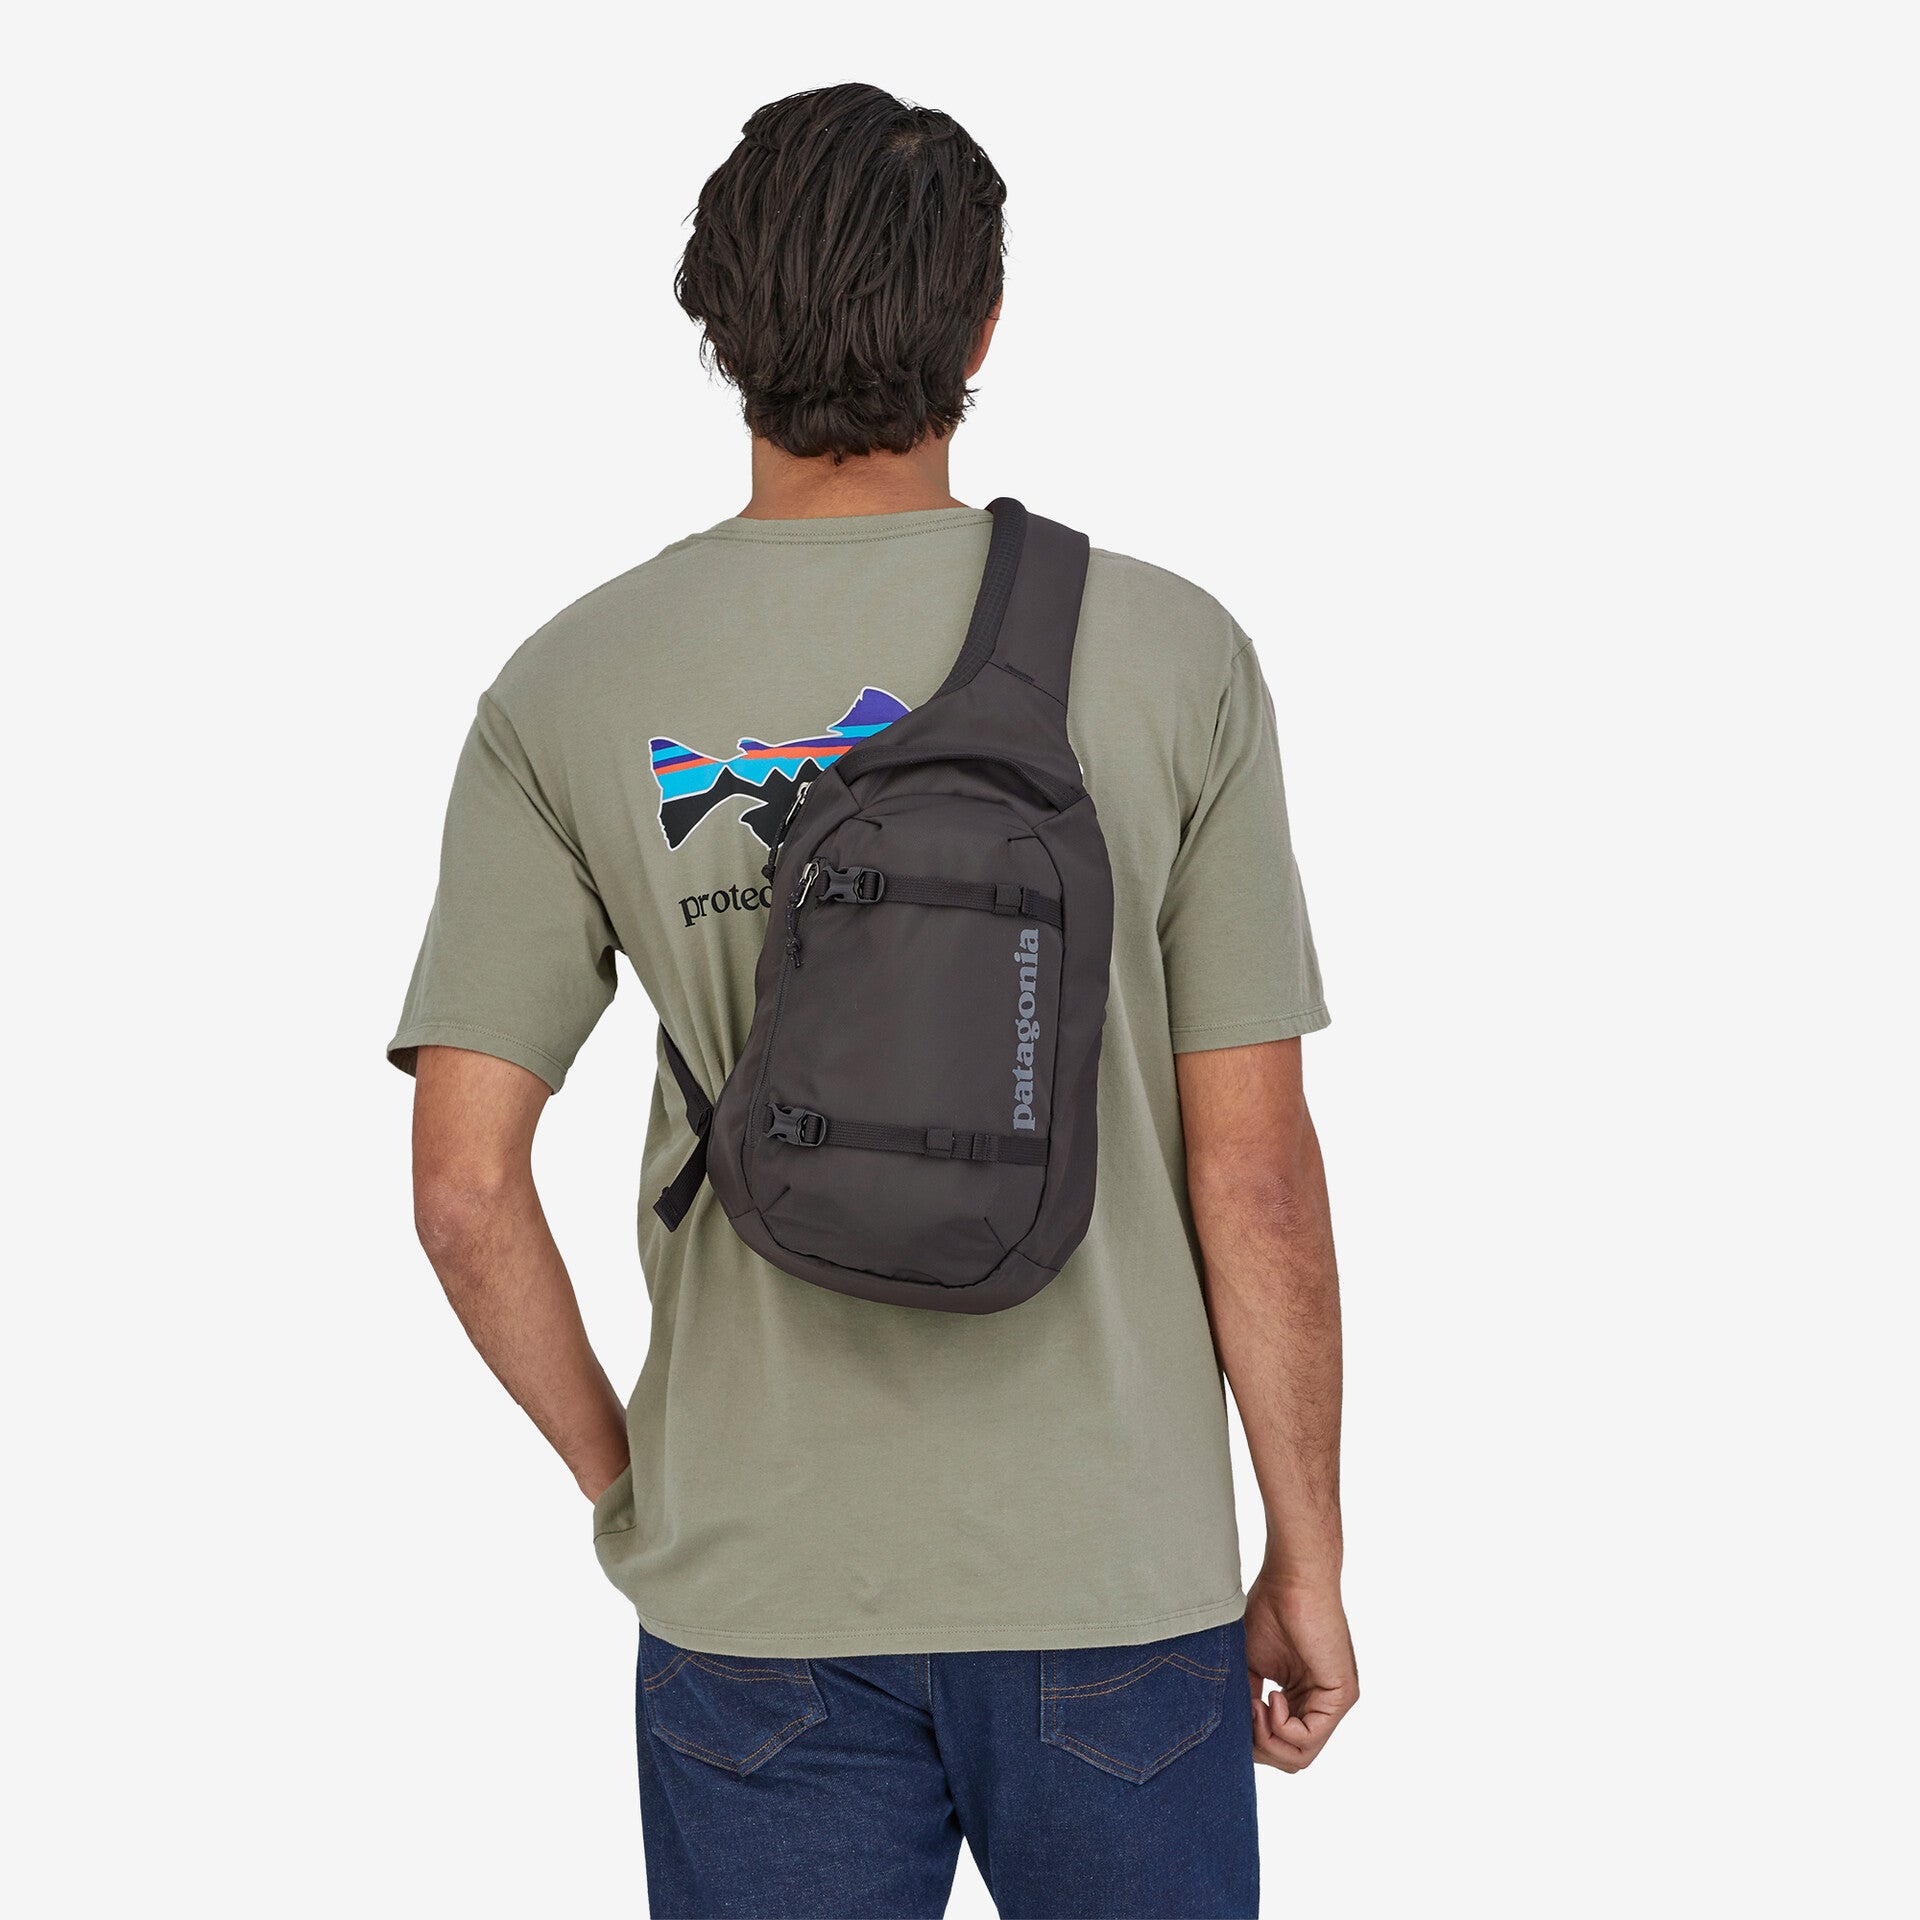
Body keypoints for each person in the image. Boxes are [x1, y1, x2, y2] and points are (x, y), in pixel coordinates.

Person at [390, 81, 1356, 1920]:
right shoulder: (1175, 654)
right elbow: (1257, 1174)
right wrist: (1302, 1551)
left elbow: (461, 1187)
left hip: (755, 1599)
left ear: (715, 320)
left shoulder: (568, 685)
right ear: (983, 328)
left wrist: (633, 1480)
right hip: (1112, 1583)